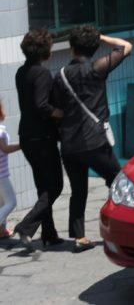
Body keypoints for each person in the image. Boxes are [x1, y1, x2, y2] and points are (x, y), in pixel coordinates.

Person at [52, 25, 132, 253]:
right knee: (118, 181)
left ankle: (79, 236)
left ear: (71, 48)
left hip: (69, 143)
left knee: (78, 190)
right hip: (95, 141)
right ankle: (122, 227)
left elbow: (57, 110)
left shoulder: (61, 76)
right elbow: (126, 46)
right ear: (94, 47)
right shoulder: (97, 68)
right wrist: (102, 37)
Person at [13, 29, 65, 252]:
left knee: (43, 186)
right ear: (45, 51)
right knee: (55, 186)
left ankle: (49, 233)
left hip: (26, 136)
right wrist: (61, 114)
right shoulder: (42, 74)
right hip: (42, 137)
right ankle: (26, 226)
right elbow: (42, 105)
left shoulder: (20, 72)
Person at [0, 100, 21, 241]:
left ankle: (2, 231)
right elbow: (5, 149)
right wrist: (22, 145)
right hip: (1, 175)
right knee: (11, 202)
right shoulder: (0, 132)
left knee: (2, 203)